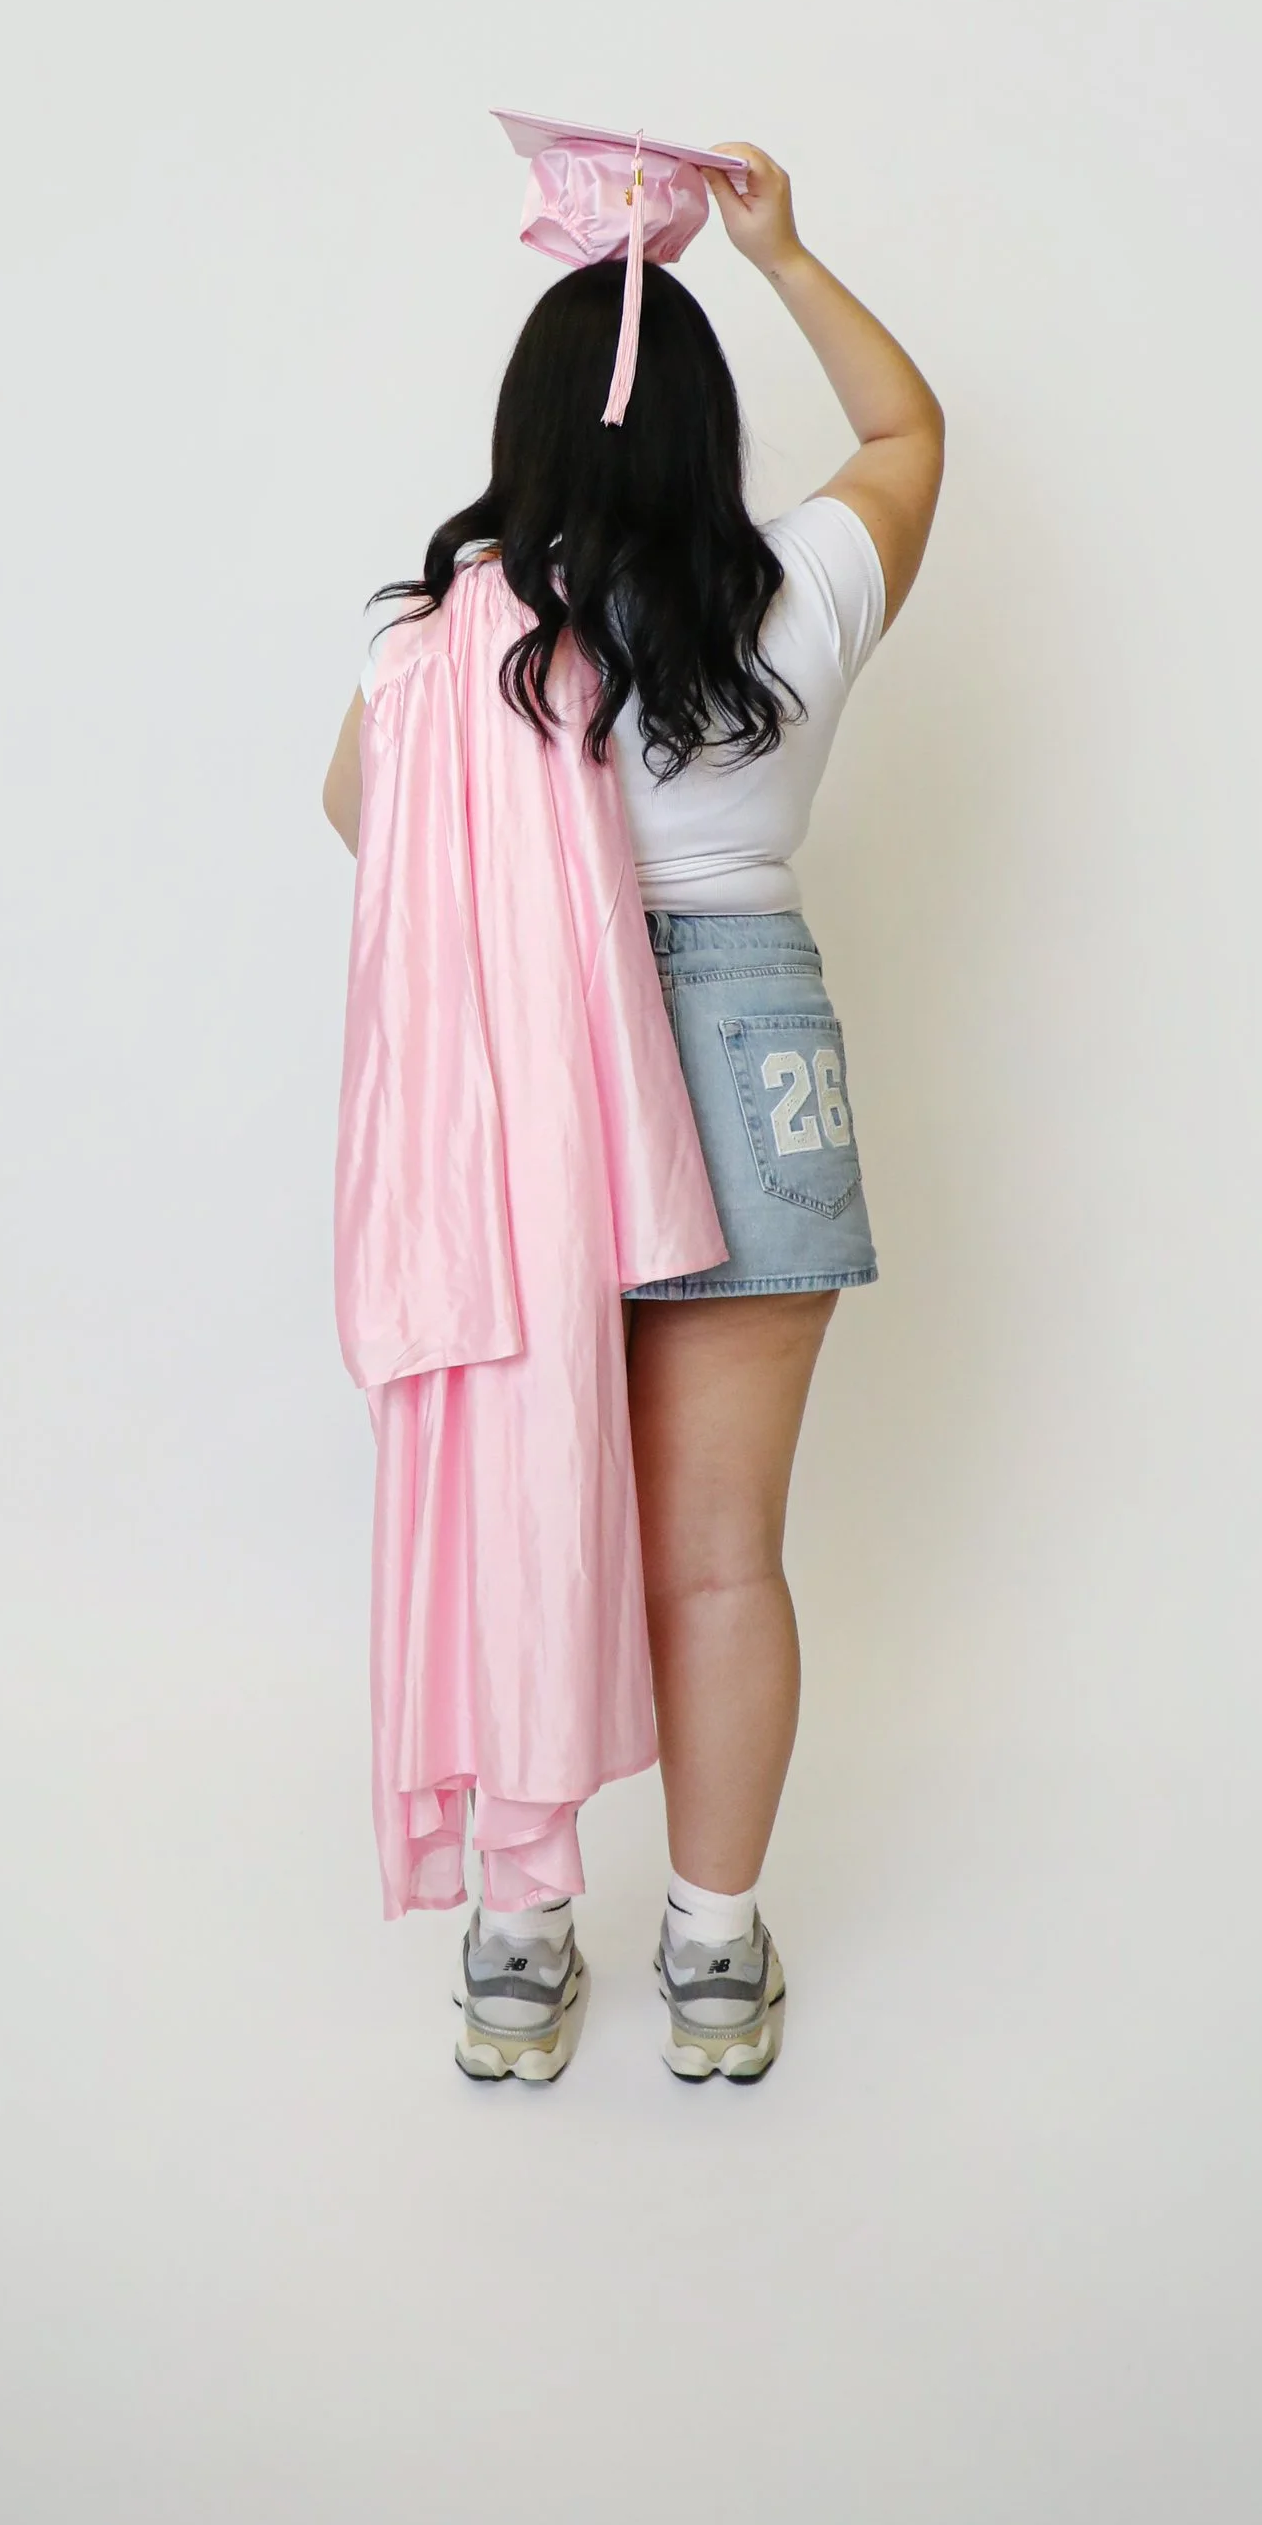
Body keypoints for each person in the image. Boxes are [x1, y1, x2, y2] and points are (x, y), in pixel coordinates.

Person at [324, 140, 945, 2080]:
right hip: (754, 1059)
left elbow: (359, 823)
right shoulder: (794, 598)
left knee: (527, 1505)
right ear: (701, 433)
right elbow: (907, 427)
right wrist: (774, 245)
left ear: (521, 434)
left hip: (532, 1087)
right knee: (715, 1554)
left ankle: (518, 1949)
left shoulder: (437, 649)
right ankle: (708, 1955)